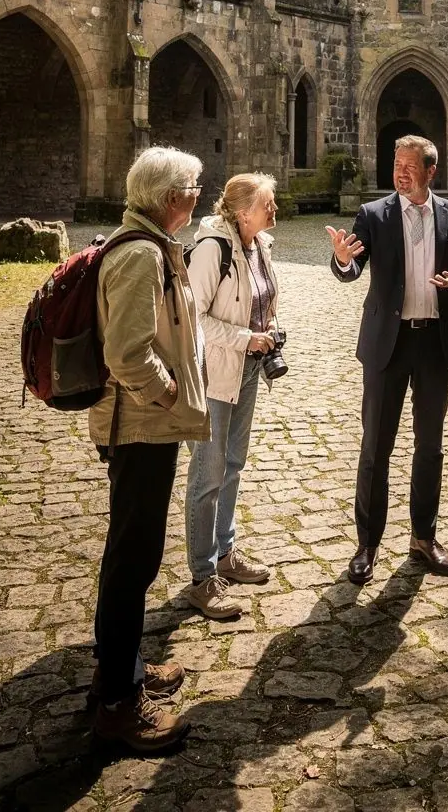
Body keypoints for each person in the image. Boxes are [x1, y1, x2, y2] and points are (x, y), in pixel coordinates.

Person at [89, 146, 210, 754]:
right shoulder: (139, 255)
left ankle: (126, 668)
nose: (199, 195)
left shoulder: (150, 244)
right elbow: (128, 353)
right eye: (192, 187)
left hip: (145, 427)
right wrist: (166, 398)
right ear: (169, 198)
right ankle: (115, 704)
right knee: (132, 558)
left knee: (134, 553)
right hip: (138, 428)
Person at [326, 134, 448, 585]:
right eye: (397, 164)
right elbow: (352, 267)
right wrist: (341, 261)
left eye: (410, 165)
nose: (401, 172)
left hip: (435, 343)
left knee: (429, 447)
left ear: (432, 171)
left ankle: (423, 538)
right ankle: (367, 544)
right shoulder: (374, 214)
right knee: (375, 447)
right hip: (386, 346)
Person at [185, 172, 280, 620]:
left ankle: (226, 553)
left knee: (234, 464)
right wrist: (246, 338)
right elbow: (194, 320)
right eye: (268, 203)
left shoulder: (258, 247)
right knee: (207, 473)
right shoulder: (211, 249)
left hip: (246, 371)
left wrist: (268, 334)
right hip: (212, 374)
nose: (275, 209)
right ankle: (202, 578)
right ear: (243, 212)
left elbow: (258, 302)